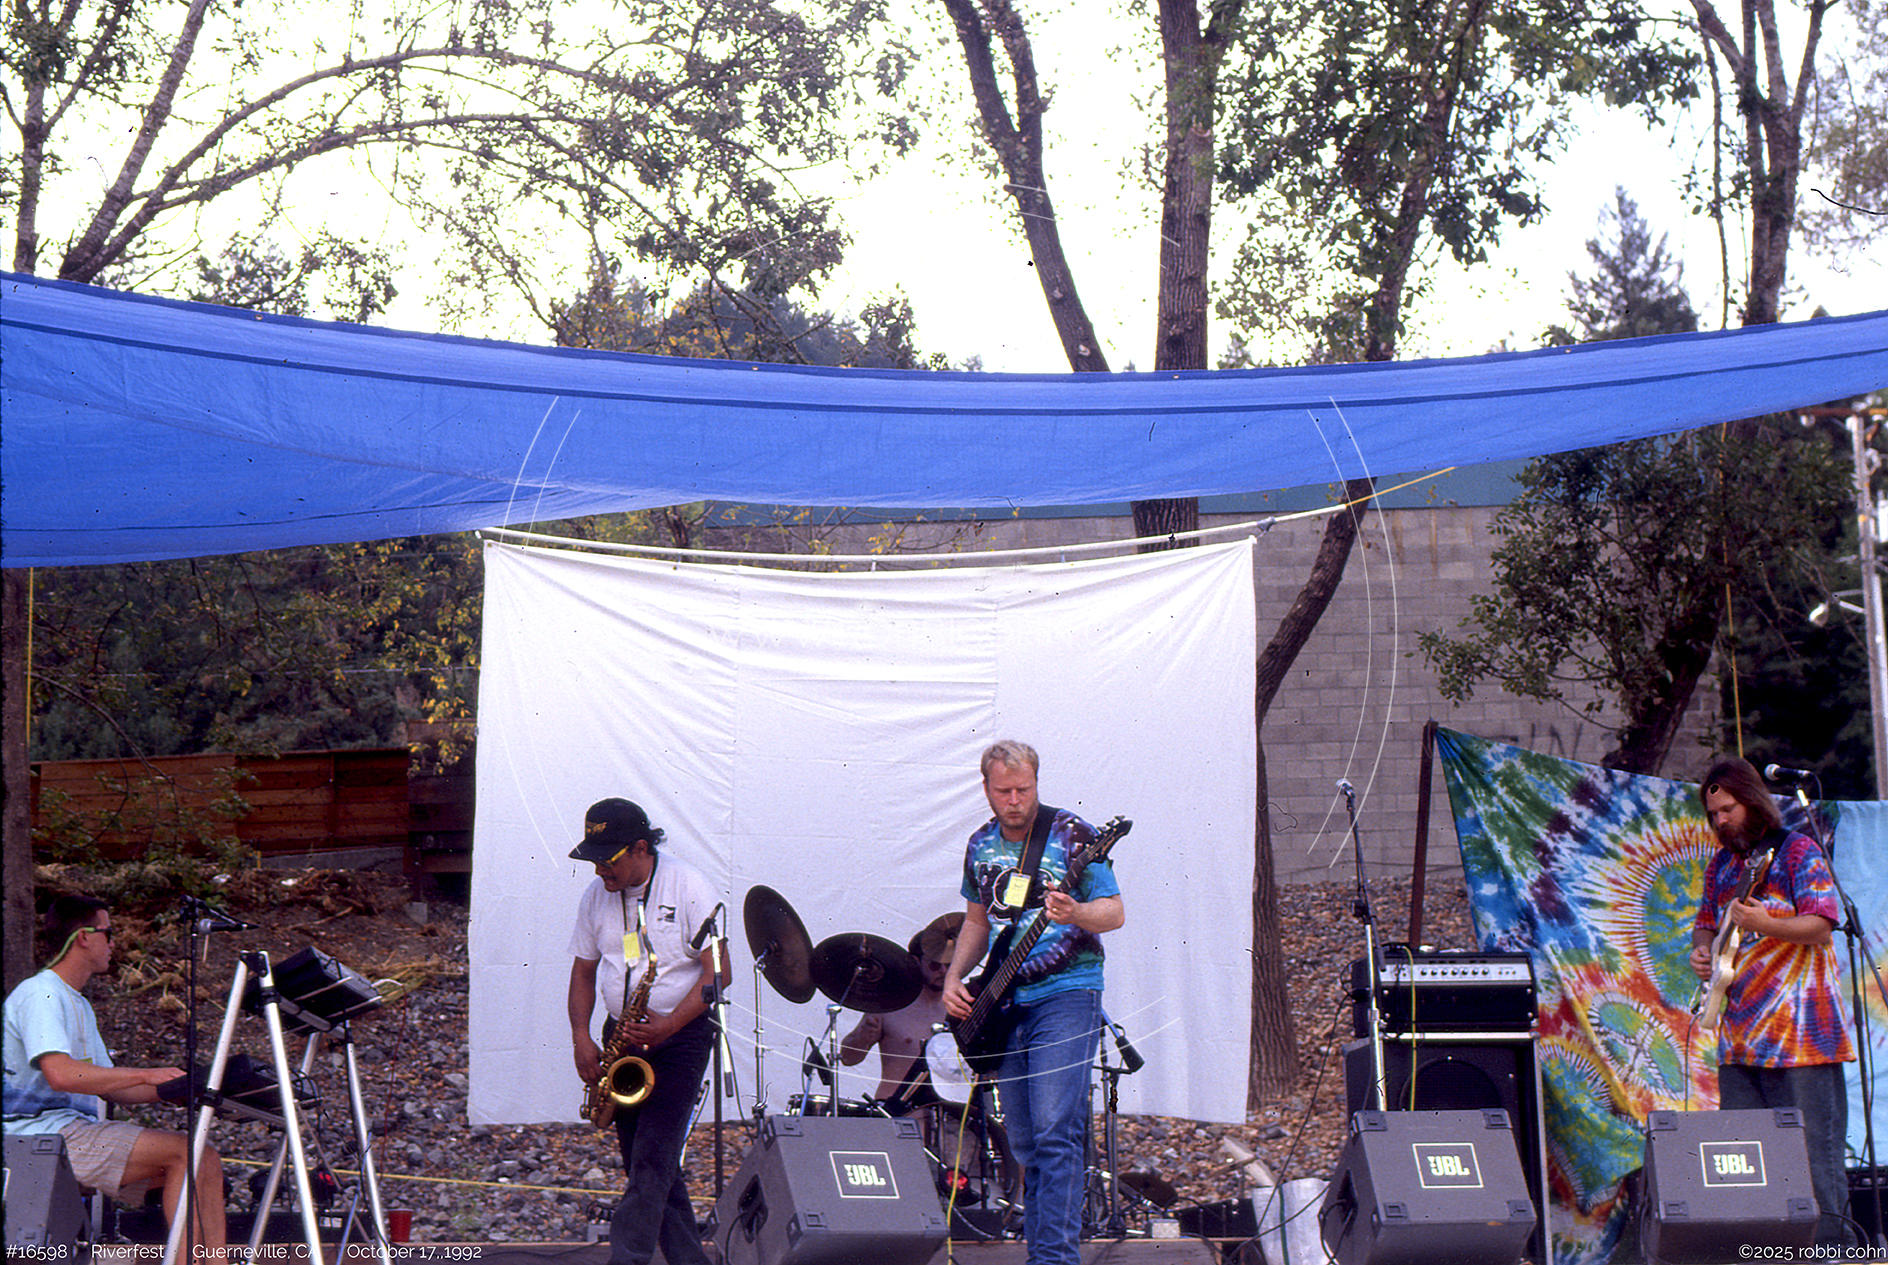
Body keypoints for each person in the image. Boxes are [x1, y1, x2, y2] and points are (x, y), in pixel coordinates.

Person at [942, 741, 1123, 1265]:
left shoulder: (1072, 834)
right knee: (1024, 1140)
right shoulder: (980, 844)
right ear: (986, 789)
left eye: (1024, 789)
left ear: (1037, 783)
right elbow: (977, 922)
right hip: (1006, 1002)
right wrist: (954, 976)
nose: (1015, 800)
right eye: (1005, 791)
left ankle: (1053, 1259)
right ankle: (1042, 1252)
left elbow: (1113, 912)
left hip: (1067, 993)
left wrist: (1075, 913)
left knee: (1054, 1130)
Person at [1687, 757, 1855, 1248]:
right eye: (1713, 814)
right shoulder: (1722, 866)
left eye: (1728, 809)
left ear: (1752, 801)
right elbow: (1705, 923)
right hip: (1740, 1040)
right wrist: (1702, 951)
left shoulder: (1798, 852)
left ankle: (1833, 1251)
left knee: (1814, 1158)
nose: (1720, 820)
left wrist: (1768, 925)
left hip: (1803, 1037)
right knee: (1749, 1160)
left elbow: (1821, 926)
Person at [3, 894, 227, 1260]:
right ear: (84, 937)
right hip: (36, 1137)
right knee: (188, 1155)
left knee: (204, 1161)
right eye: (109, 933)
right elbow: (61, 1074)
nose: (113, 943)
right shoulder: (41, 994)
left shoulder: (77, 1003)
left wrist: (175, 1089)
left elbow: (113, 1088)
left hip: (69, 1133)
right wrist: (146, 1074)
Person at [567, 797, 723, 1265]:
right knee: (647, 1163)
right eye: (594, 860)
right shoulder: (596, 896)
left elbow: (719, 974)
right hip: (623, 1036)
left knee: (652, 1160)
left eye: (608, 860)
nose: (600, 871)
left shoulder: (689, 885)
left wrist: (669, 1024)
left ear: (640, 848)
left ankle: (627, 1259)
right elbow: (582, 973)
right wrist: (581, 1037)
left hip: (680, 1036)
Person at [839, 917, 956, 1105]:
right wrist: (864, 1035)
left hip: (951, 1110)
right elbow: (847, 1058)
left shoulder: (961, 1005)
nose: (943, 971)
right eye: (935, 965)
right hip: (895, 1108)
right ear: (916, 962)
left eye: (949, 965)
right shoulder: (890, 1004)